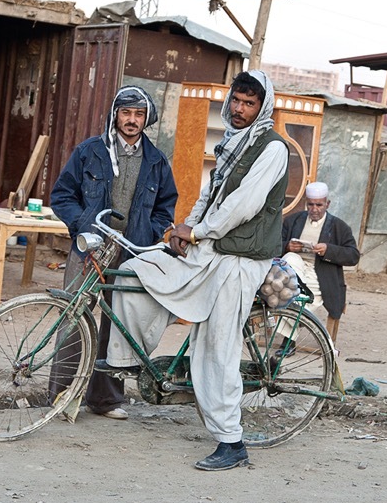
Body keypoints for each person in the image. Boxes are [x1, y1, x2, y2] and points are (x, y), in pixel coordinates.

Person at [101, 70, 288, 472]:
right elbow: (211, 195)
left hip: (241, 260)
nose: (239, 109)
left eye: (249, 104)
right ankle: (126, 358)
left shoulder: (272, 148)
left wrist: (199, 231)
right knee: (138, 271)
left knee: (215, 348)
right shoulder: (233, 143)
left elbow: (242, 206)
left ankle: (232, 442)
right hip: (211, 250)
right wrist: (186, 228)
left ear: (262, 108)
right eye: (236, 100)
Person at [47, 86, 178, 422]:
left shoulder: (156, 161)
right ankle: (62, 396)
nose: (132, 120)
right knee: (74, 316)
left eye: (138, 114)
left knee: (117, 324)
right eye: (126, 112)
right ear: (115, 115)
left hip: (132, 251)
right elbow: (62, 195)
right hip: (91, 247)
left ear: (147, 119)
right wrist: (83, 226)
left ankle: (105, 400)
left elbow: (166, 206)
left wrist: (149, 234)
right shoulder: (90, 151)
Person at [281, 181, 360, 344]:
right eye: (310, 205)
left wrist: (328, 250)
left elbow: (353, 256)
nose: (314, 209)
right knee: (290, 259)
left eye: (319, 205)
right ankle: (289, 338)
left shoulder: (339, 226)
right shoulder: (293, 221)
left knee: (299, 299)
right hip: (294, 270)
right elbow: (273, 246)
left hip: (321, 273)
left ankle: (288, 341)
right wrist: (287, 246)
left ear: (327, 204)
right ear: (306, 203)